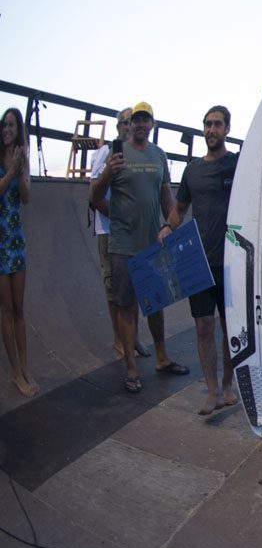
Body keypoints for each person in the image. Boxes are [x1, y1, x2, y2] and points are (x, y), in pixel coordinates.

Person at [89, 101, 189, 393]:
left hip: (151, 243)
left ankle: (161, 358)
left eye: (146, 120)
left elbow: (165, 197)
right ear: (129, 124)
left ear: (152, 125)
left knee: (156, 303)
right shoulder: (116, 153)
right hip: (122, 244)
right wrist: (108, 174)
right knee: (125, 305)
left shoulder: (159, 155)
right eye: (137, 120)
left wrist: (171, 224)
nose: (141, 124)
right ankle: (131, 367)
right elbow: (94, 197)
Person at [165, 104, 238, 415]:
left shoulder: (238, 164)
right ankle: (212, 392)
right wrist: (168, 227)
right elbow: (180, 209)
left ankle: (228, 384)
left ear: (227, 129)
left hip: (232, 261)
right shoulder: (192, 170)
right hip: (199, 262)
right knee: (203, 327)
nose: (212, 129)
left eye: (218, 124)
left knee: (230, 328)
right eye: (208, 124)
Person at [89, 108, 152, 361]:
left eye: (133, 121)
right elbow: (93, 195)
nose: (129, 126)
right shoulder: (106, 153)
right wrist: (119, 217)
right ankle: (118, 339)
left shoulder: (136, 154)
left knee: (132, 286)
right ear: (119, 126)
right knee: (113, 287)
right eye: (126, 122)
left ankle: (132, 337)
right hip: (110, 230)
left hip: (133, 234)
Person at [0, 108, 34, 397]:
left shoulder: (23, 158)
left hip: (16, 243)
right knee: (7, 310)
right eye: (4, 125)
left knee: (20, 309)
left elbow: (25, 197)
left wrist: (20, 170)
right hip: (0, 243)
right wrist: (10, 170)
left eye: (11, 125)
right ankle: (14, 371)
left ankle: (24, 366)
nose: (7, 129)